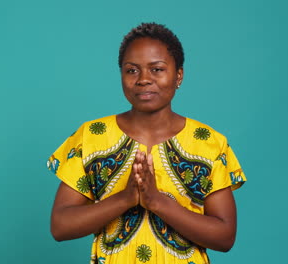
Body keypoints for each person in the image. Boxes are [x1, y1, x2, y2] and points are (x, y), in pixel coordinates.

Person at [47, 22, 246, 264]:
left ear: (178, 75)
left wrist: (157, 202)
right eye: (132, 70)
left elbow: (225, 238)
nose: (143, 79)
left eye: (157, 69)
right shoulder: (91, 137)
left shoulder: (209, 143)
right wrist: (125, 198)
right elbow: (60, 226)